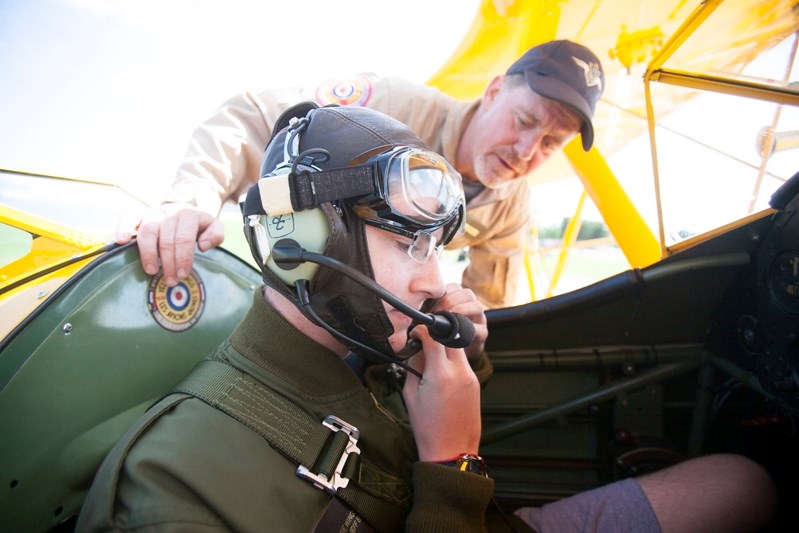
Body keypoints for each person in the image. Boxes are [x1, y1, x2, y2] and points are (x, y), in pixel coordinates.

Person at [80, 104, 777, 532]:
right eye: (404, 240)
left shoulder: (358, 336)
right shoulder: (176, 495)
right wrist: (453, 464)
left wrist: (462, 358)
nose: (431, 279)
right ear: (305, 243)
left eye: (434, 246)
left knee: (746, 481)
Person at [119, 39, 607, 309]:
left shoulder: (511, 204)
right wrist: (190, 198)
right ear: (496, 90)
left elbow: (490, 301)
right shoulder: (395, 107)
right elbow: (252, 116)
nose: (526, 152)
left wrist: (469, 325)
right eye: (524, 122)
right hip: (296, 283)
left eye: (550, 144)